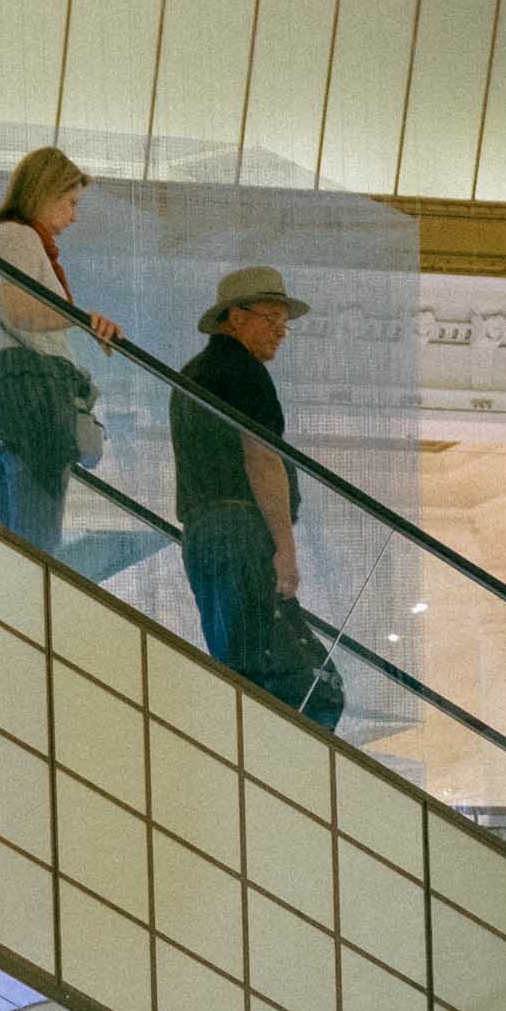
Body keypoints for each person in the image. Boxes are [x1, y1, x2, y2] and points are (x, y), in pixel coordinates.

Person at [0, 148, 147, 583]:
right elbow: (20, 308)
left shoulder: (6, 240)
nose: (74, 216)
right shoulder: (18, 238)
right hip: (32, 405)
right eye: (71, 202)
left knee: (21, 553)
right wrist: (83, 320)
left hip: (5, 403)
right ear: (44, 193)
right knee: (40, 558)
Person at [172, 266, 339, 731]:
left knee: (236, 661)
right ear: (234, 317)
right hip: (241, 530)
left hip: (202, 535)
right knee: (271, 675)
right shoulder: (242, 370)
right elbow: (261, 459)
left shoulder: (193, 374)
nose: (279, 332)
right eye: (269, 318)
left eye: (283, 322)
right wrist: (285, 549)